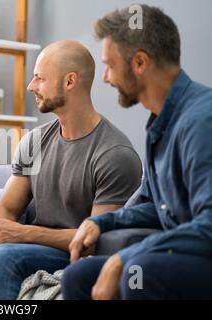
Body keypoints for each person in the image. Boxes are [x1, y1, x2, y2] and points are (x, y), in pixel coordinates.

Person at [0, 40, 142, 300]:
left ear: (70, 81)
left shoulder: (114, 155)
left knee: (5, 255)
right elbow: (7, 208)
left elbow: (95, 241)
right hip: (23, 246)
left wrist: (22, 233)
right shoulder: (35, 141)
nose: (31, 86)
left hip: (70, 254)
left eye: (40, 78)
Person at [63, 5, 212, 300]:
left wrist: (122, 258)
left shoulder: (201, 120)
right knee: (77, 276)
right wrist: (98, 222)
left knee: (139, 272)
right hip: (185, 258)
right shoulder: (160, 124)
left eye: (110, 65)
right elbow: (156, 206)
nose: (105, 77)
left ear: (140, 62)